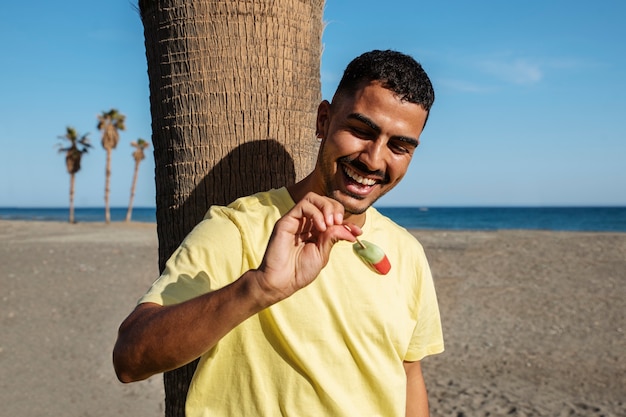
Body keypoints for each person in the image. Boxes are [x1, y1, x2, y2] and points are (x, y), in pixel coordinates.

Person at [113, 49, 444, 416]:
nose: (374, 159)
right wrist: (259, 288)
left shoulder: (407, 252)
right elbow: (130, 358)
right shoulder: (238, 227)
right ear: (324, 121)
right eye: (361, 131)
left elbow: (408, 372)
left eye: (399, 146)